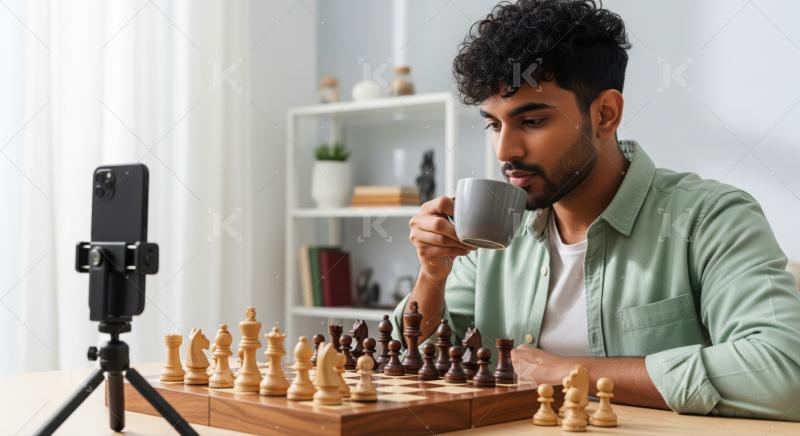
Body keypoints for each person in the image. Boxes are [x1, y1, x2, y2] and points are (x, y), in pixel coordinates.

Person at [390, 0, 800, 421]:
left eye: (531, 121)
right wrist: (433, 276)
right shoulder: (498, 233)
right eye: (494, 124)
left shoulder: (711, 218)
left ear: (605, 114)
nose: (504, 150)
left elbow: (784, 373)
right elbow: (414, 362)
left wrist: (571, 372)